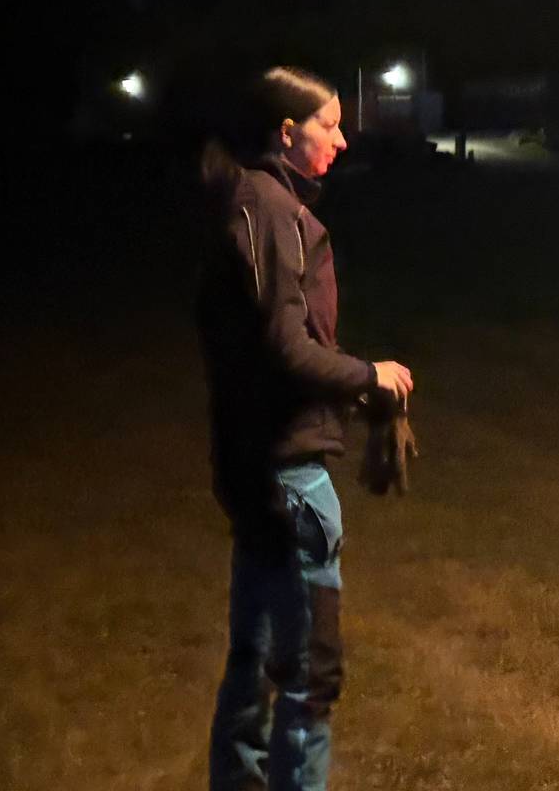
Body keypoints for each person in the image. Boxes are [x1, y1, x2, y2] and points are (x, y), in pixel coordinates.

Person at [196, 66, 418, 791]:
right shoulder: (272, 212)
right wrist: (369, 376)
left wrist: (351, 390)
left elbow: (262, 356)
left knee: (253, 661)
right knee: (308, 679)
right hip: (290, 478)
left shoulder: (246, 203)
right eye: (329, 124)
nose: (343, 139)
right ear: (287, 133)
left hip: (254, 469)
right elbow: (287, 348)